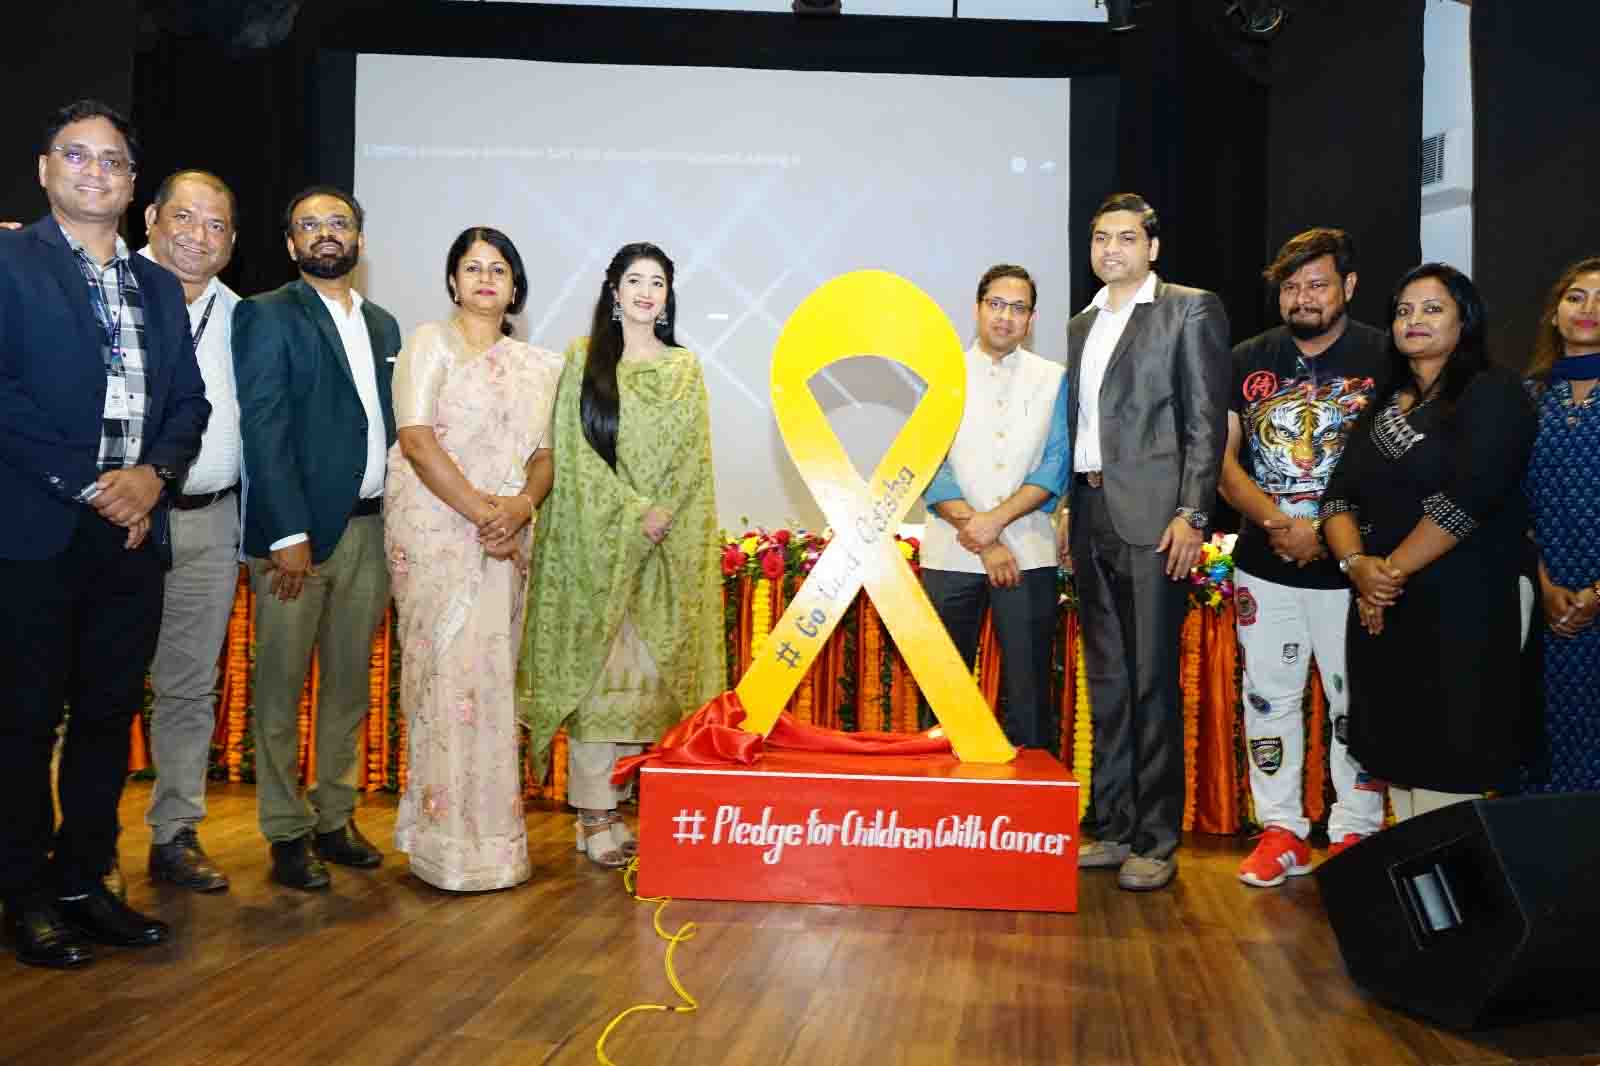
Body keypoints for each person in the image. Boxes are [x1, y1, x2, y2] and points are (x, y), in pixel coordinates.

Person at [0, 100, 210, 968]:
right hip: (36, 532)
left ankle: (84, 883)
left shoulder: (158, 285)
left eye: (113, 160)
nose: (96, 171)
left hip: (131, 538)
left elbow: (189, 402)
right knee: (23, 722)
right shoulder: (10, 261)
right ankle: (23, 894)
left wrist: (153, 478)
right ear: (45, 170)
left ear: (132, 186)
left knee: (106, 718)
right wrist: (93, 486)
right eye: (77, 155)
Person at [515, 242, 724, 867]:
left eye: (657, 283)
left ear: (668, 297)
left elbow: (693, 460)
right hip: (595, 548)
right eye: (635, 280)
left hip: (662, 552)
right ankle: (594, 811)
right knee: (597, 681)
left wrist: (663, 517)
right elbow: (574, 456)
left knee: (645, 686)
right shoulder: (583, 360)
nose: (645, 292)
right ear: (613, 291)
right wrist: (635, 513)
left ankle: (612, 807)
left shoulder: (684, 369)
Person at [1321, 263, 1539, 821]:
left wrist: (1385, 575)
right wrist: (1357, 566)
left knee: (1451, 756)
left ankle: (1451, 877)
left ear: (1465, 321)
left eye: (1432, 308)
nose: (1413, 320)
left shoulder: (1495, 391)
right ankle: (1418, 875)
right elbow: (1338, 498)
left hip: (1466, 601)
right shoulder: (1385, 401)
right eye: (1403, 311)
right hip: (1384, 603)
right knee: (1397, 751)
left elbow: (1468, 498)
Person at [1058, 193, 1230, 892]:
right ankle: (1115, 825)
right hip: (1090, 509)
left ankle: (1156, 840)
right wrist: (1068, 506)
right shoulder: (1081, 323)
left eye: (1126, 238)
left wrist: (1192, 513)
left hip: (1158, 519)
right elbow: (1080, 426)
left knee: (1152, 678)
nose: (1111, 250)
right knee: (1108, 681)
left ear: (1152, 247)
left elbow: (1205, 421)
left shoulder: (1189, 309)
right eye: (1101, 238)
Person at [234, 185, 400, 890]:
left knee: (348, 687)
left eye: (339, 223)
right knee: (279, 689)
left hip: (370, 530)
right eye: (310, 225)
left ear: (359, 238)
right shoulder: (266, 314)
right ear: (290, 243)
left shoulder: (385, 325)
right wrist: (287, 531)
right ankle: (284, 829)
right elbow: (263, 426)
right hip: (295, 541)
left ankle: (335, 817)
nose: (326, 234)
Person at [386, 228, 562, 891]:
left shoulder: (539, 367)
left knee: (489, 684)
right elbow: (416, 441)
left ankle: (494, 847)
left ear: (515, 288)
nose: (485, 278)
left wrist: (519, 507)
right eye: (472, 267)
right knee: (445, 681)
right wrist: (485, 513)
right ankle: (442, 847)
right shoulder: (428, 344)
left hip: (505, 534)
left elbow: (544, 456)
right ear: (453, 281)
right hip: (436, 530)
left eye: (498, 269)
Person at [1218, 228, 1387, 886]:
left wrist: (1328, 532)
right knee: (1269, 699)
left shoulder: (1384, 354)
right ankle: (1281, 829)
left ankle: (1355, 831)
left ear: (1349, 286)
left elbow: (1404, 459)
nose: (1303, 298)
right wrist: (1279, 522)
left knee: (1357, 703)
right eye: (1290, 287)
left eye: (1318, 284)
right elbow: (1221, 462)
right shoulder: (1246, 358)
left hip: (1356, 568)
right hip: (1267, 562)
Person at [139, 170, 243, 893]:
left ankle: (174, 833)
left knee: (187, 688)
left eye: (215, 225)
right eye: (184, 217)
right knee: (83, 683)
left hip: (208, 522)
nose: (197, 236)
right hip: (116, 521)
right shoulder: (104, 290)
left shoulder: (244, 317)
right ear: (151, 217)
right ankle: (64, 846)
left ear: (232, 242)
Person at [922, 264, 1069, 750]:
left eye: (1018, 308)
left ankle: (1028, 792)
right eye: (996, 305)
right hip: (951, 551)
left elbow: (1055, 466)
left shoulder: (1054, 379)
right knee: (943, 692)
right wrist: (984, 540)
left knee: (1029, 691)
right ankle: (937, 789)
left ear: (1032, 319)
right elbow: (929, 465)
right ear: (978, 309)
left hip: (1029, 552)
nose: (1006, 317)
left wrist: (996, 525)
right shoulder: (943, 375)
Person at [1523, 256, 1600, 793]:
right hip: (1542, 603)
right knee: (1541, 745)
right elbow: (1508, 505)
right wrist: (1545, 585)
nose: (1588, 308)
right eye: (1576, 297)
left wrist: (1596, 594)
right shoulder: (1525, 398)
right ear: (1555, 313)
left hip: (1594, 593)